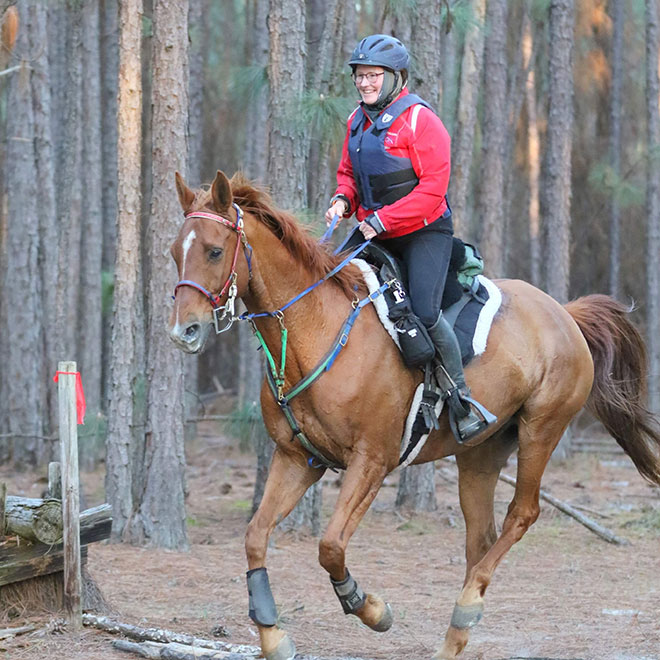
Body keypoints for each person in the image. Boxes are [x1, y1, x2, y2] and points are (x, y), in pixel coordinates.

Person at [324, 34, 495, 442]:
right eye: (359, 76)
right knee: (330, 286)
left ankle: (459, 396)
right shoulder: (356, 120)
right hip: (373, 228)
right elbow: (349, 174)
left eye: (372, 76)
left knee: (424, 309)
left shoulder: (422, 121)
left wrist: (383, 221)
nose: (364, 83)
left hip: (424, 233)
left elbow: (432, 191)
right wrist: (341, 200)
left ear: (395, 77)